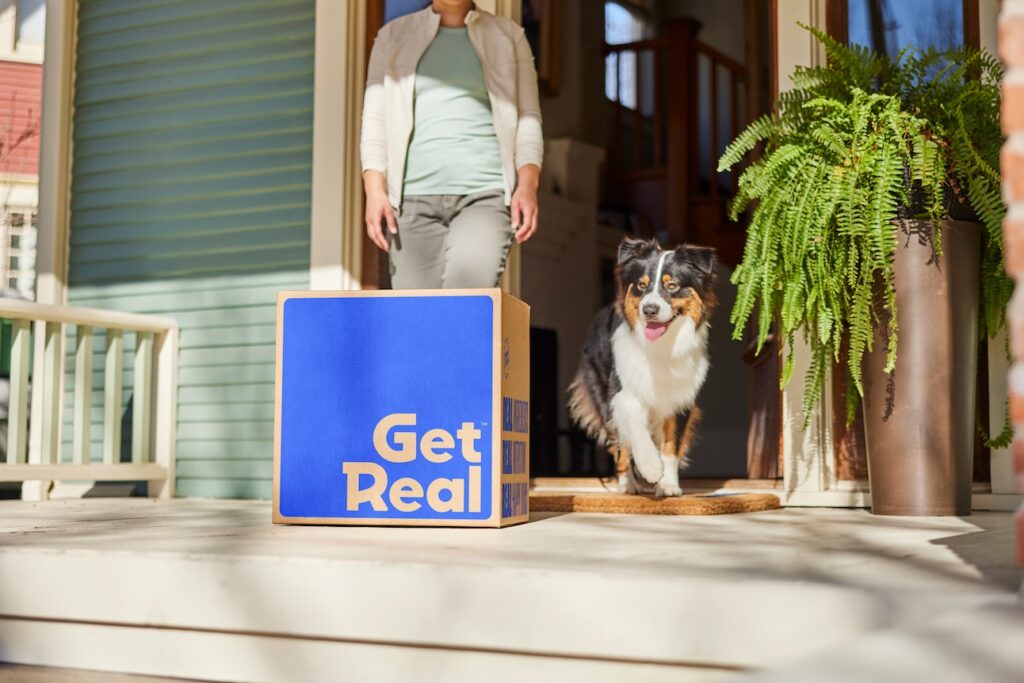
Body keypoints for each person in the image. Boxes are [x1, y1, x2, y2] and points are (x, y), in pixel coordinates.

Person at [360, 0, 543, 289]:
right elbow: (374, 120)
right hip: (412, 201)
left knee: (465, 307)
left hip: (485, 197)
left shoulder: (510, 36)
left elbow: (528, 116)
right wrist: (374, 191)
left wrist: (527, 186)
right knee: (417, 319)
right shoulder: (391, 36)